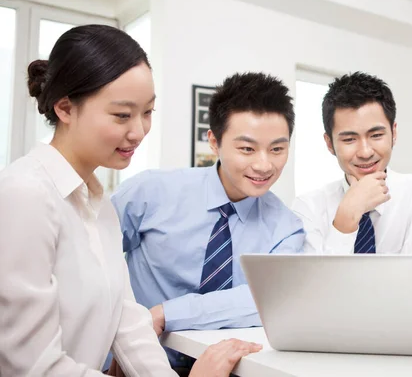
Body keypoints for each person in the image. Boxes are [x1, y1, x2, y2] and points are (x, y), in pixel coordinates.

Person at [0, 24, 260, 377]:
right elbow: (32, 367)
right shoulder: (26, 195)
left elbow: (126, 319)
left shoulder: (98, 204)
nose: (139, 131)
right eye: (122, 115)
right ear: (65, 108)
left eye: (148, 112)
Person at [111, 72, 305, 371]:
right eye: (247, 149)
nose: (264, 165)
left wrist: (166, 313)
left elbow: (270, 301)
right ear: (214, 141)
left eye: (277, 149)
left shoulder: (287, 227)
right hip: (131, 365)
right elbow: (90, 263)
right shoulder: (148, 193)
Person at [292, 72, 412, 254]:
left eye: (376, 135)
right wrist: (347, 217)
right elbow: (318, 281)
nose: (365, 152)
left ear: (394, 133)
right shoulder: (308, 207)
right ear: (329, 143)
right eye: (349, 139)